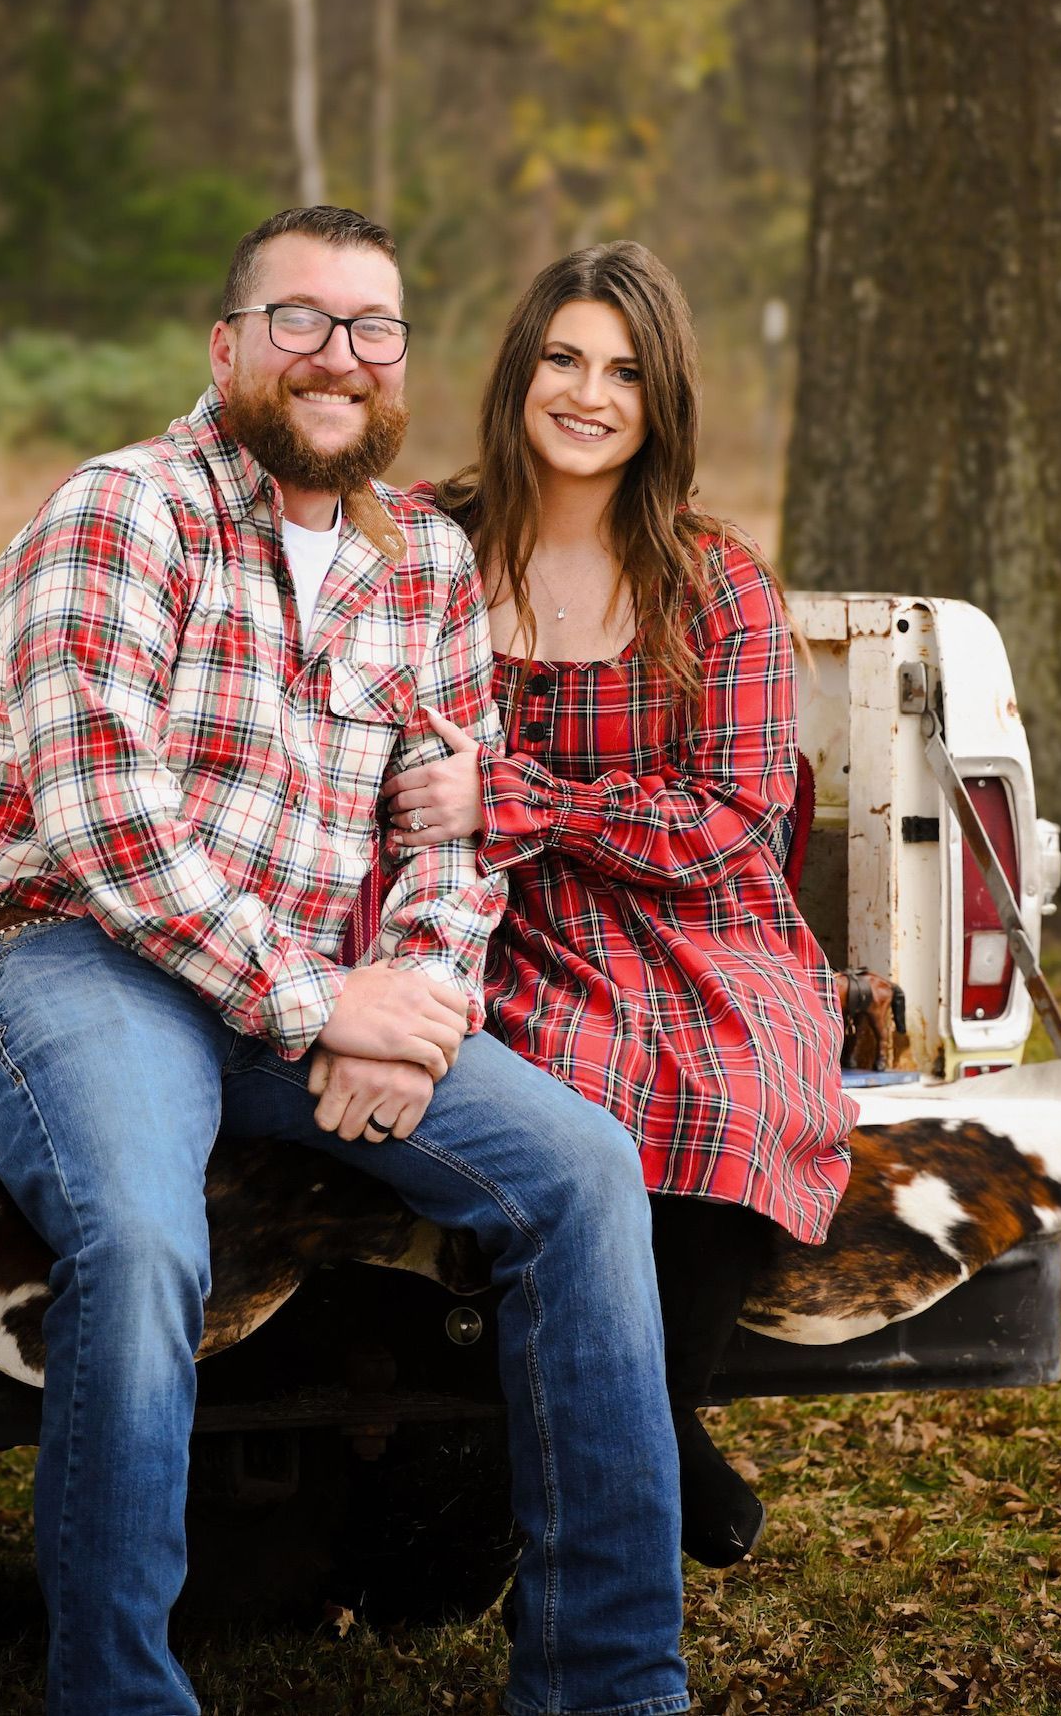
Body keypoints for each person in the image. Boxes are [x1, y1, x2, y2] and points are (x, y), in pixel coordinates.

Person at [0, 206, 690, 1716]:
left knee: (586, 1170)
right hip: (77, 960)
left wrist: (404, 1009)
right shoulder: (121, 511)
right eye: (302, 321)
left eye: (373, 330)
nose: (340, 357)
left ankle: (609, 1684)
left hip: (318, 993)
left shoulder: (430, 568)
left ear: (403, 364)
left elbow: (455, 844)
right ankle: (121, 1694)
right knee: (143, 1238)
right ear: (229, 348)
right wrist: (323, 1001)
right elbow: (102, 821)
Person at [385, 241, 855, 1569]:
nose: (590, 393)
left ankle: (652, 1422)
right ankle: (653, 1452)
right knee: (560, 1086)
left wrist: (520, 799)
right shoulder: (427, 546)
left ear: (665, 404)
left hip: (693, 915)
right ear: (522, 369)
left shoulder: (716, 588)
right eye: (566, 358)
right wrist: (472, 823)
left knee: (731, 1076)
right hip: (491, 914)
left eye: (627, 373)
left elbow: (728, 820)